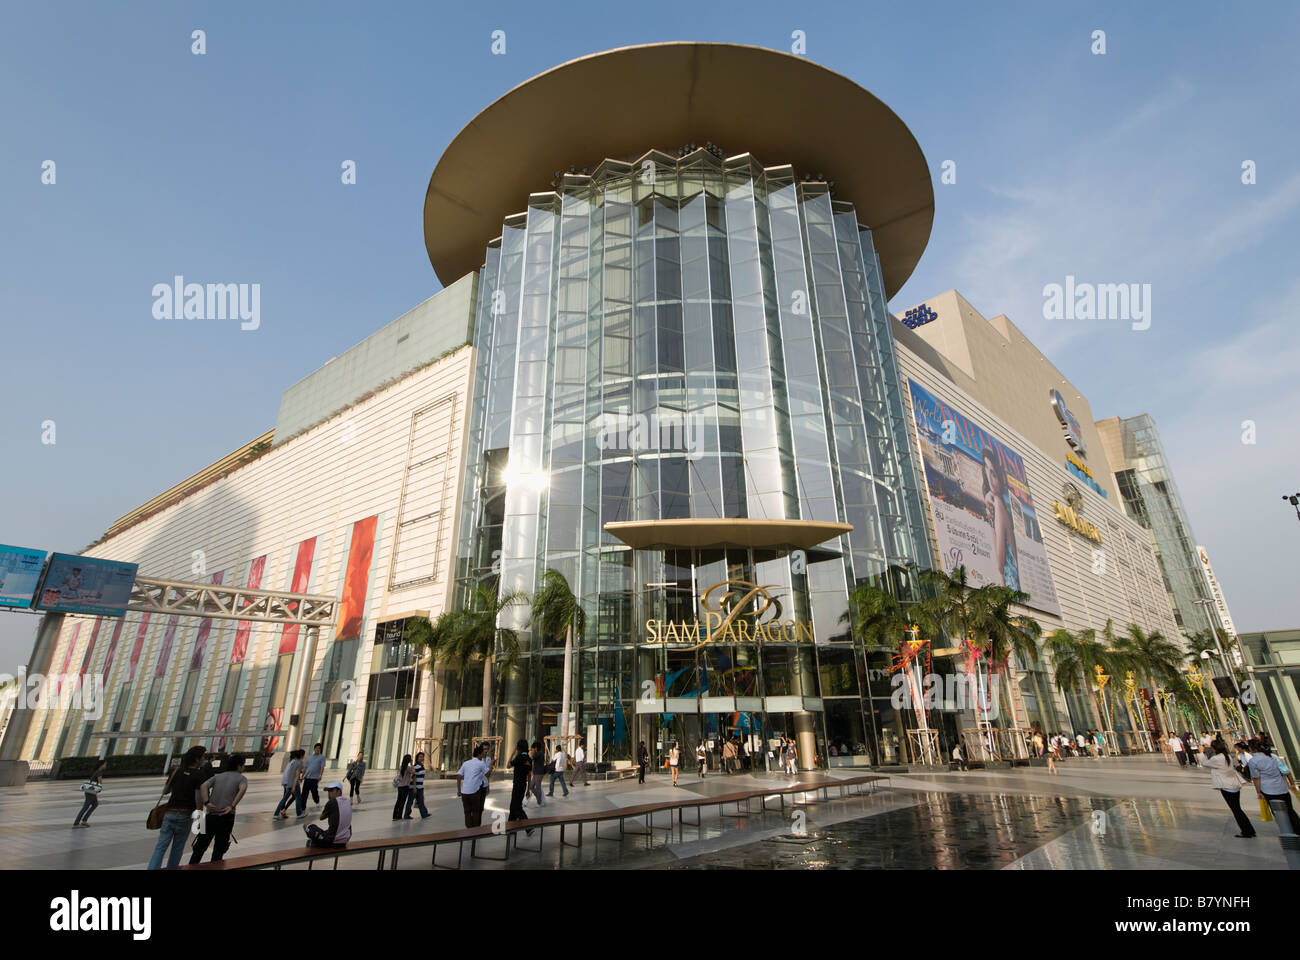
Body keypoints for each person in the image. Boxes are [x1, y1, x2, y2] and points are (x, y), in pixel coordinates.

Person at [147, 746, 212, 870]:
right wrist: (200, 823)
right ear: (197, 759)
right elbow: (199, 800)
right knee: (178, 847)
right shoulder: (199, 775)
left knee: (160, 847)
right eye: (203, 757)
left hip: (169, 813)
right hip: (185, 815)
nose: (204, 759)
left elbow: (165, 791)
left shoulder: (176, 771)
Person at [190, 753, 249, 863]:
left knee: (199, 848)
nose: (244, 768)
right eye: (243, 765)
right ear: (239, 766)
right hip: (226, 817)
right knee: (219, 850)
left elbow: (203, 786)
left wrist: (207, 803)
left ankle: (192, 866)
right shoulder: (242, 778)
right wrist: (232, 805)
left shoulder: (218, 776)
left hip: (210, 815)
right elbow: (243, 789)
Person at [981, 446, 1020, 591]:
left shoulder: (998, 504)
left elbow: (1000, 564)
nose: (990, 479)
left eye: (994, 474)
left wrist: (990, 516)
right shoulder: (999, 502)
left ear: (999, 476)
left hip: (1012, 587)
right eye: (986, 469)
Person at [1198, 739, 1255, 838]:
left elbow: (1204, 763)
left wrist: (1201, 752)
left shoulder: (1217, 758)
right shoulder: (1227, 756)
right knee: (1237, 809)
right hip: (1234, 785)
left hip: (1226, 786)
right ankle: (1249, 829)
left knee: (1236, 810)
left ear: (1214, 748)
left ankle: (1246, 831)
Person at [1248, 742, 1299, 833]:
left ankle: (1287, 831)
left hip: (1268, 790)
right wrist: (1291, 784)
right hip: (1282, 788)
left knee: (1277, 812)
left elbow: (1256, 778)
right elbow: (1286, 771)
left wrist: (1258, 792)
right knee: (1290, 811)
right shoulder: (1274, 757)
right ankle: (1297, 830)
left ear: (1252, 748)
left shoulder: (1253, 761)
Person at [305, 782, 352, 847]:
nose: (329, 793)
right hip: (345, 839)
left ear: (339, 791)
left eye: (332, 790)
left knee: (307, 825)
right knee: (325, 832)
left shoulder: (332, 802)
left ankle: (313, 844)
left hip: (332, 840)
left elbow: (321, 818)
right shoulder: (347, 801)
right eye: (328, 791)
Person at [456, 744, 492, 827]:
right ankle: (475, 830)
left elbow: (459, 777)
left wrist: (459, 790)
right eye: (483, 753)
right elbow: (488, 774)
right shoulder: (481, 763)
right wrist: (491, 766)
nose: (484, 755)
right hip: (475, 792)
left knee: (467, 812)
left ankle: (469, 829)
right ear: (479, 754)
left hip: (464, 792)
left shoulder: (466, 763)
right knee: (476, 811)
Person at [507, 739, 534, 836]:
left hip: (517, 785)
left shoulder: (518, 757)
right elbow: (529, 775)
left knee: (516, 807)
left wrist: (513, 752)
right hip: (523, 785)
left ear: (518, 747)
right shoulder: (529, 759)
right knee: (513, 807)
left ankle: (528, 827)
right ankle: (511, 829)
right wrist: (528, 789)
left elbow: (508, 765)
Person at [74, 759, 107, 827]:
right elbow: (100, 782)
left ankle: (84, 820)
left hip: (90, 791)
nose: (105, 765)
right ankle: (76, 823)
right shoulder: (99, 772)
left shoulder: (96, 771)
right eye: (105, 764)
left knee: (95, 804)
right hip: (91, 792)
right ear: (102, 765)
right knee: (86, 807)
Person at [297, 742, 326, 816]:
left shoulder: (322, 757)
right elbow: (305, 768)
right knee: (304, 794)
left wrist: (320, 775)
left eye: (319, 748)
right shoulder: (309, 757)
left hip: (315, 778)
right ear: (314, 749)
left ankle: (317, 800)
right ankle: (303, 808)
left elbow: (322, 767)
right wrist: (302, 776)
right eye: (316, 748)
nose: (317, 750)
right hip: (307, 778)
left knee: (314, 791)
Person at [274, 749, 304, 819]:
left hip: (287, 782)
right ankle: (299, 813)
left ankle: (278, 813)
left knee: (285, 798)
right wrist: (294, 785)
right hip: (292, 783)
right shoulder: (298, 762)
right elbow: (296, 775)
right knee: (297, 798)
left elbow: (289, 773)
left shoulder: (291, 762)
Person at [404, 751, 430, 819]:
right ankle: (407, 815)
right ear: (417, 758)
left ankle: (424, 813)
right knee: (410, 801)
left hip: (420, 787)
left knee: (421, 801)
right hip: (414, 787)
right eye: (420, 757)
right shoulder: (415, 767)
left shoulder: (421, 766)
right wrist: (414, 787)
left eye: (422, 757)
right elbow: (414, 776)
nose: (422, 758)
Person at [392, 754, 413, 821]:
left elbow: (398, 777)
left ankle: (395, 815)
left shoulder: (401, 767)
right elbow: (413, 772)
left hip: (400, 786)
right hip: (405, 787)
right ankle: (399, 816)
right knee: (402, 802)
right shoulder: (408, 768)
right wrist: (412, 763)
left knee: (398, 801)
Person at [527, 740, 546, 807]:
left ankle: (539, 802)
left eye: (533, 748)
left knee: (538, 787)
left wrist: (531, 751)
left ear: (536, 748)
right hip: (536, 773)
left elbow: (531, 758)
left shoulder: (539, 753)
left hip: (539, 773)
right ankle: (539, 798)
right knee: (531, 786)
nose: (533, 749)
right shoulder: (540, 753)